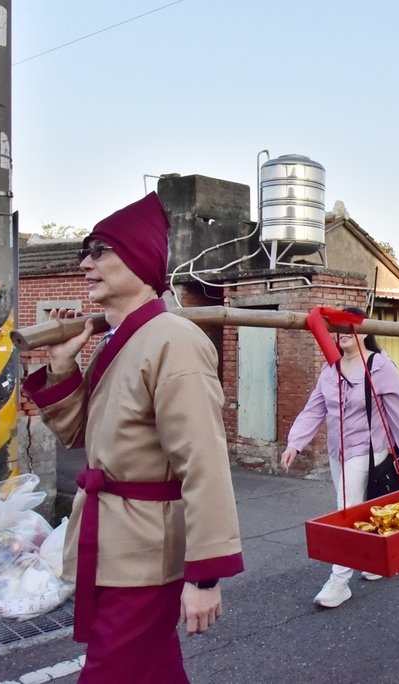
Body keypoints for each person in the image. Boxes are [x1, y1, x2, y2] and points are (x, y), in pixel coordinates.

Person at [22, 193, 244, 683]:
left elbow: (203, 460)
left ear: (140, 258)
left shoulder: (174, 340)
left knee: (113, 672)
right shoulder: (118, 338)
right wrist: (63, 366)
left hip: (146, 553)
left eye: (101, 250)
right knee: (152, 671)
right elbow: (85, 434)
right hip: (112, 543)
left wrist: (205, 574)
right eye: (88, 251)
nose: (86, 263)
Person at [280, 309, 399, 609]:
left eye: (348, 328)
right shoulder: (331, 371)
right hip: (337, 452)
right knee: (359, 508)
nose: (342, 334)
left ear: (365, 331)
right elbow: (314, 409)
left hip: (368, 450)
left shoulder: (379, 366)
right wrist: (295, 443)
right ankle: (371, 558)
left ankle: (339, 581)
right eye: (337, 329)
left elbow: (398, 412)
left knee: (346, 510)